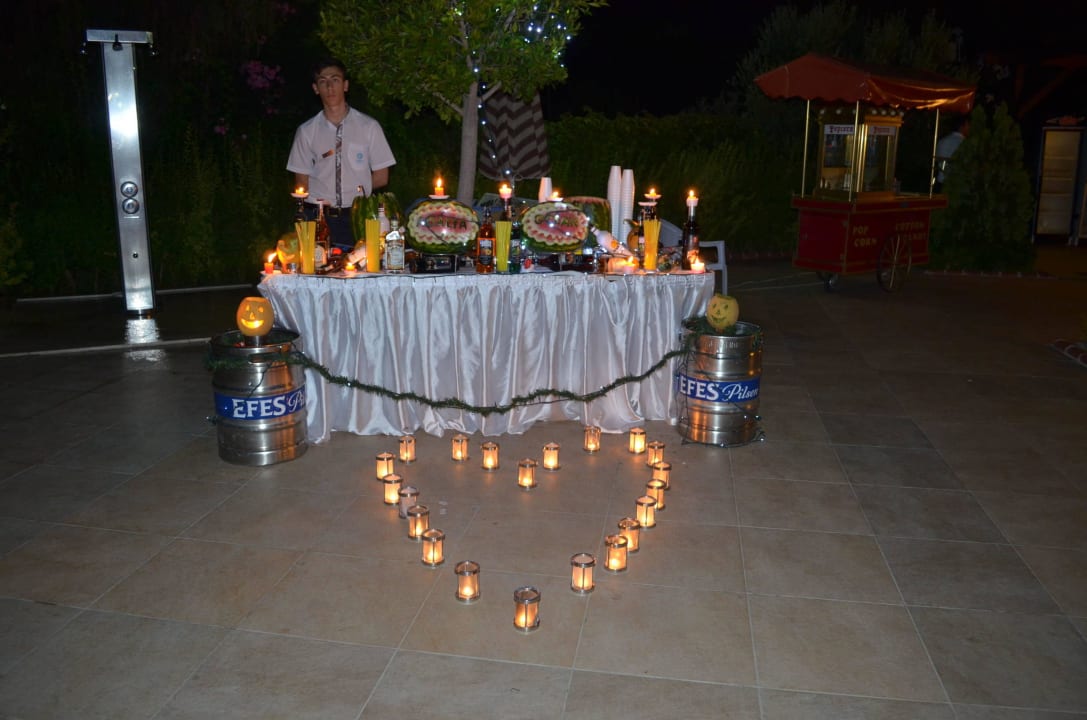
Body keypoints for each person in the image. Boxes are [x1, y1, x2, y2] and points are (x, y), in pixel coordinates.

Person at [287, 58, 396, 249]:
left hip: (357, 216)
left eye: (335, 80)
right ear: (316, 88)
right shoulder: (307, 131)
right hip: (318, 216)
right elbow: (301, 181)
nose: (330, 87)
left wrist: (356, 195)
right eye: (323, 81)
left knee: (361, 264)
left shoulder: (369, 127)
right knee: (316, 266)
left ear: (345, 85)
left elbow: (382, 176)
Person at [934, 117, 969, 192]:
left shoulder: (942, 141)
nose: (969, 128)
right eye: (967, 125)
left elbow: (937, 160)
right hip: (958, 184)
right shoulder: (965, 143)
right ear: (962, 127)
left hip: (941, 182)